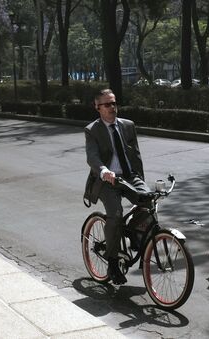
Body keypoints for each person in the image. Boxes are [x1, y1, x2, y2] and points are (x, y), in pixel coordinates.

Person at [84, 88, 151, 285]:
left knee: (148, 202)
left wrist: (141, 184)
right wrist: (104, 170)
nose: (112, 107)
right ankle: (112, 263)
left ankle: (135, 237)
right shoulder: (92, 130)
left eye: (114, 103)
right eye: (107, 104)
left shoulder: (128, 125)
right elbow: (92, 156)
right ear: (97, 107)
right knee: (115, 213)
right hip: (107, 180)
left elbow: (136, 156)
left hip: (129, 177)